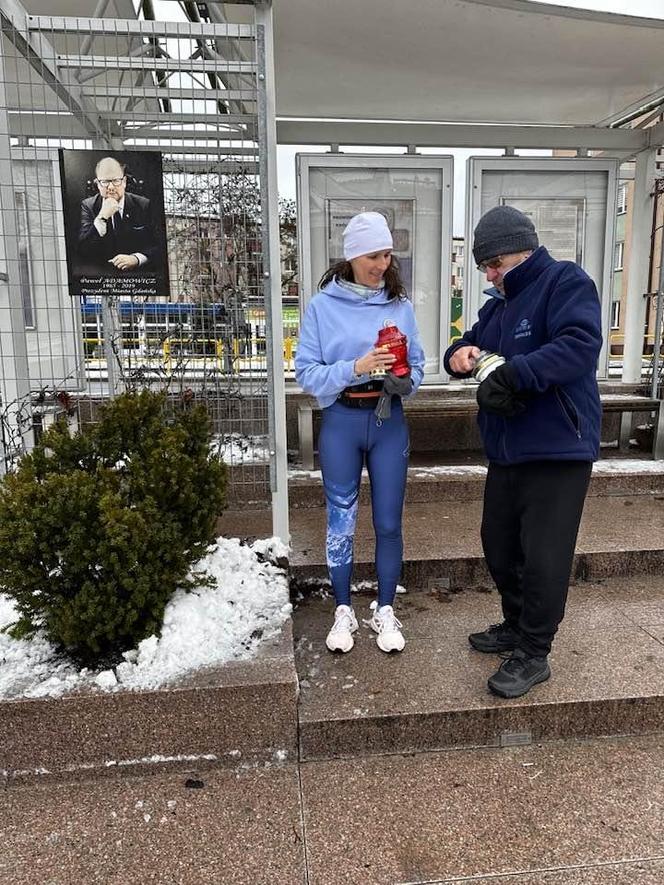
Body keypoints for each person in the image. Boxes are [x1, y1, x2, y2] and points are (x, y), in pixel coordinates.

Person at [443, 205, 602, 699]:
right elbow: (468, 343)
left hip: (557, 447)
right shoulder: (497, 304)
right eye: (485, 266)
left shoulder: (564, 282)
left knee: (544, 557)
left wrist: (514, 374)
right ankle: (514, 624)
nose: (490, 274)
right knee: (499, 543)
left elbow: (579, 345)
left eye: (498, 263)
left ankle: (534, 651)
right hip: (508, 450)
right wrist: (458, 355)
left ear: (526, 249)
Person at [296, 212, 425, 654]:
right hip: (342, 424)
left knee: (388, 521)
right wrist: (357, 368)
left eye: (387, 254)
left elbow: (420, 365)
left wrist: (404, 379)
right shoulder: (321, 307)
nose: (382, 264)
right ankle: (343, 608)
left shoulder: (400, 306)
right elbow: (307, 375)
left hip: (389, 421)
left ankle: (385, 608)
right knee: (341, 522)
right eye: (373, 255)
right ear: (352, 256)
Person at [78, 156, 158, 272]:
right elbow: (83, 249)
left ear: (124, 182)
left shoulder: (143, 204)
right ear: (98, 184)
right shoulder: (88, 206)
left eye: (116, 181)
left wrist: (136, 259)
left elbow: (158, 244)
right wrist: (102, 217)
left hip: (138, 277)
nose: (111, 187)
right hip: (100, 276)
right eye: (105, 182)